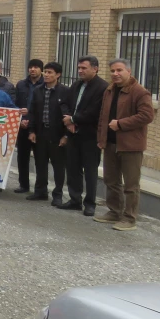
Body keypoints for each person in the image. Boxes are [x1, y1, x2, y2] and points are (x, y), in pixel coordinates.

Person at [94, 58, 155, 231]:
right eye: (112, 71)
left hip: (131, 146)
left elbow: (147, 116)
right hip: (111, 143)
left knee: (131, 184)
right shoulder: (110, 90)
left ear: (129, 71)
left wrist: (120, 124)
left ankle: (129, 218)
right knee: (111, 180)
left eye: (119, 70)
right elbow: (103, 117)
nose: (115, 74)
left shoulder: (140, 92)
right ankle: (114, 212)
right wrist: (101, 138)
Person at [60, 56, 108, 215]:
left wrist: (73, 119)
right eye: (79, 68)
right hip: (73, 134)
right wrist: (68, 119)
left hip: (90, 135)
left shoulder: (102, 88)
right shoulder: (76, 85)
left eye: (84, 68)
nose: (80, 71)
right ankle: (75, 200)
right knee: (73, 168)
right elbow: (64, 103)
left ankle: (90, 203)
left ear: (95, 68)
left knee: (90, 170)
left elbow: (95, 111)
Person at [27, 62, 71, 205]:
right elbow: (32, 112)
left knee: (58, 165)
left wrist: (66, 135)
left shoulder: (65, 92)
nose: (46, 75)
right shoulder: (38, 90)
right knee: (40, 163)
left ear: (58, 75)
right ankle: (40, 191)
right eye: (45, 72)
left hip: (57, 134)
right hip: (40, 132)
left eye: (50, 72)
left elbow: (68, 114)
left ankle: (57, 194)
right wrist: (32, 131)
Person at [14, 59, 45, 194]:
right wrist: (20, 119)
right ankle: (23, 185)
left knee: (40, 159)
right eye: (31, 67)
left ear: (41, 70)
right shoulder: (21, 85)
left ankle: (40, 188)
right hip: (22, 125)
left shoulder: (45, 84)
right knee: (22, 157)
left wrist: (31, 115)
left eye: (36, 67)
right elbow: (15, 103)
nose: (33, 70)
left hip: (38, 127)